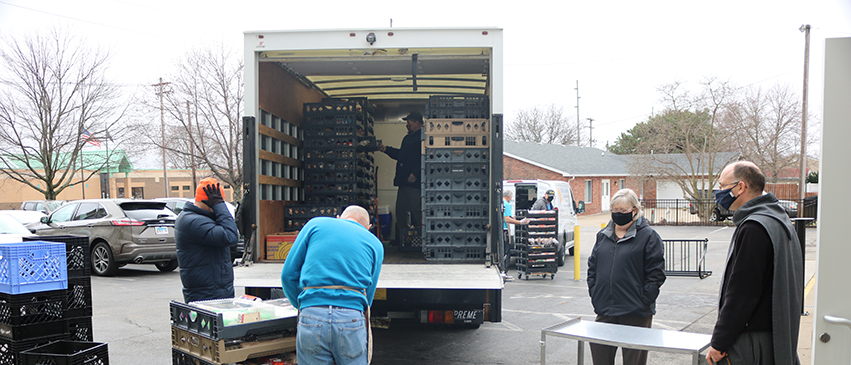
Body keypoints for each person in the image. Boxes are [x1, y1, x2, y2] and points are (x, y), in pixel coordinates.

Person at [706, 161, 803, 365]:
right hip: (774, 336)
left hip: (751, 343)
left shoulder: (754, 228)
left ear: (740, 187)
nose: (719, 192)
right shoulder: (778, 219)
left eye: (723, 186)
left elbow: (742, 293)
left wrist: (719, 342)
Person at [281, 205, 384, 365]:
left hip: (312, 314)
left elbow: (288, 274)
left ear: (338, 218)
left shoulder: (315, 225)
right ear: (368, 227)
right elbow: (367, 294)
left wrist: (304, 304)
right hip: (351, 318)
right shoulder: (375, 244)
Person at [587, 188, 666, 365]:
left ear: (634, 211)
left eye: (622, 211)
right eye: (614, 211)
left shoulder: (649, 237)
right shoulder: (603, 236)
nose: (618, 214)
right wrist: (595, 293)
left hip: (635, 313)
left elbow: (656, 274)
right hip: (605, 310)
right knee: (600, 358)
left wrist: (644, 300)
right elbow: (592, 267)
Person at [175, 177, 239, 303]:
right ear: (210, 201)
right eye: (220, 201)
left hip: (214, 290)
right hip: (206, 294)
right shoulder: (193, 221)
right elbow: (231, 236)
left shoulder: (202, 219)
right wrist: (219, 206)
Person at [379, 111, 423, 245]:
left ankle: (421, 239)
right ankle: (403, 239)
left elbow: (424, 157)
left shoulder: (423, 137)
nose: (407, 125)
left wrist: (416, 173)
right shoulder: (407, 138)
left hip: (414, 183)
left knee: (417, 211)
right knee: (401, 211)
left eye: (409, 122)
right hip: (403, 182)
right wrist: (386, 149)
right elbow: (401, 155)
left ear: (416, 122)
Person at [501, 190, 530, 270]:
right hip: (504, 230)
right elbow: (506, 219)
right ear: (509, 196)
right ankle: (504, 270)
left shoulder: (501, 202)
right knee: (506, 252)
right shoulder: (507, 204)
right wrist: (520, 222)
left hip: (500, 230)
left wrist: (512, 217)